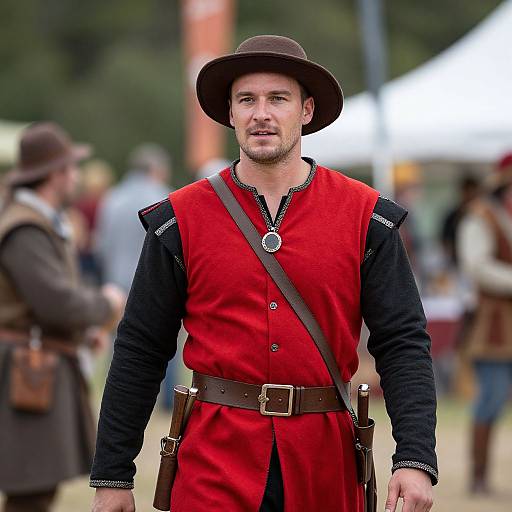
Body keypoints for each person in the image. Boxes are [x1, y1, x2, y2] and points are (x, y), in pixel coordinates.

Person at [90, 35, 437, 512]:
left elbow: (403, 342)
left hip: (324, 461)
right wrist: (113, 474)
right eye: (247, 100)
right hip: (214, 459)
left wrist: (415, 458)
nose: (261, 114)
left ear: (306, 110)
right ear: (230, 113)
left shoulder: (366, 217)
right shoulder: (179, 219)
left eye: (278, 99)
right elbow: (141, 347)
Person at [0, 122, 126, 512]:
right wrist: (104, 306)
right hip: (27, 370)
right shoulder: (25, 228)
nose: (76, 176)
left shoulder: (36, 221)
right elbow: (56, 303)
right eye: (71, 167)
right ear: (55, 174)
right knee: (31, 491)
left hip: (39, 363)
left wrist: (84, 329)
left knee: (37, 490)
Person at [457, 153, 512, 494]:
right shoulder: (480, 218)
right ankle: (478, 477)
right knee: (490, 398)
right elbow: (476, 267)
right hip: (494, 326)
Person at [95, 144, 172, 293]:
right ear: (156, 170)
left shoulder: (112, 198)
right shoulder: (164, 199)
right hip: (152, 287)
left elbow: (103, 245)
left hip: (115, 284)